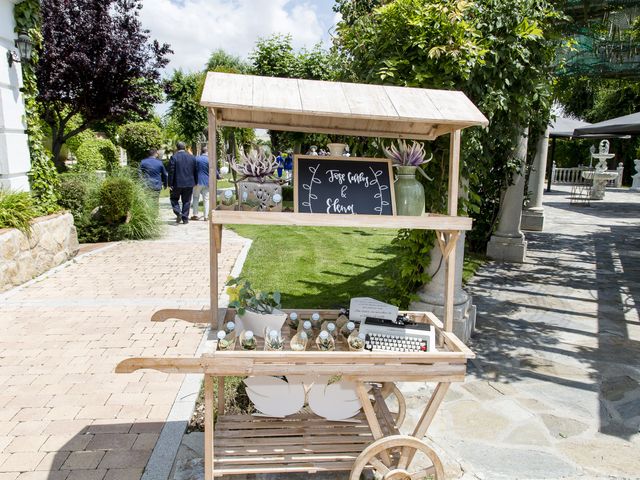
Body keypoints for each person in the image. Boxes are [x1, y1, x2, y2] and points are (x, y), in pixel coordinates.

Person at [168, 141, 198, 224]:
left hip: (177, 183)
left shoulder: (174, 157)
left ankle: (178, 212)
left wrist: (170, 184)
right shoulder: (192, 157)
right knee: (187, 201)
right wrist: (196, 181)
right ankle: (185, 218)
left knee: (173, 199)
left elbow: (171, 172)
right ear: (184, 147)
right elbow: (195, 170)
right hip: (189, 183)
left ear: (177, 148)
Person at [191, 146, 210, 221]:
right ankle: (206, 216)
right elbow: (214, 170)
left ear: (201, 151)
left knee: (196, 197)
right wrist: (218, 176)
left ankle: (195, 214)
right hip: (207, 181)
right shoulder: (209, 159)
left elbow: (192, 169)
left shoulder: (196, 159)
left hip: (197, 181)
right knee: (206, 199)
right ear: (207, 152)